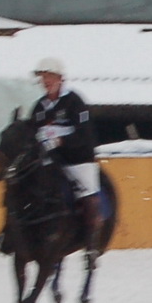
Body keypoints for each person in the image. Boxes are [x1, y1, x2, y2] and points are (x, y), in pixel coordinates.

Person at [29, 56, 103, 239]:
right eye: (43, 77)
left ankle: (92, 239)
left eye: (50, 77)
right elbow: (30, 134)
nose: (46, 81)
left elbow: (85, 134)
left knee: (87, 194)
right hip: (50, 161)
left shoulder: (75, 102)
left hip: (77, 160)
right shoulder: (39, 107)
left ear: (60, 78)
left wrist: (61, 142)